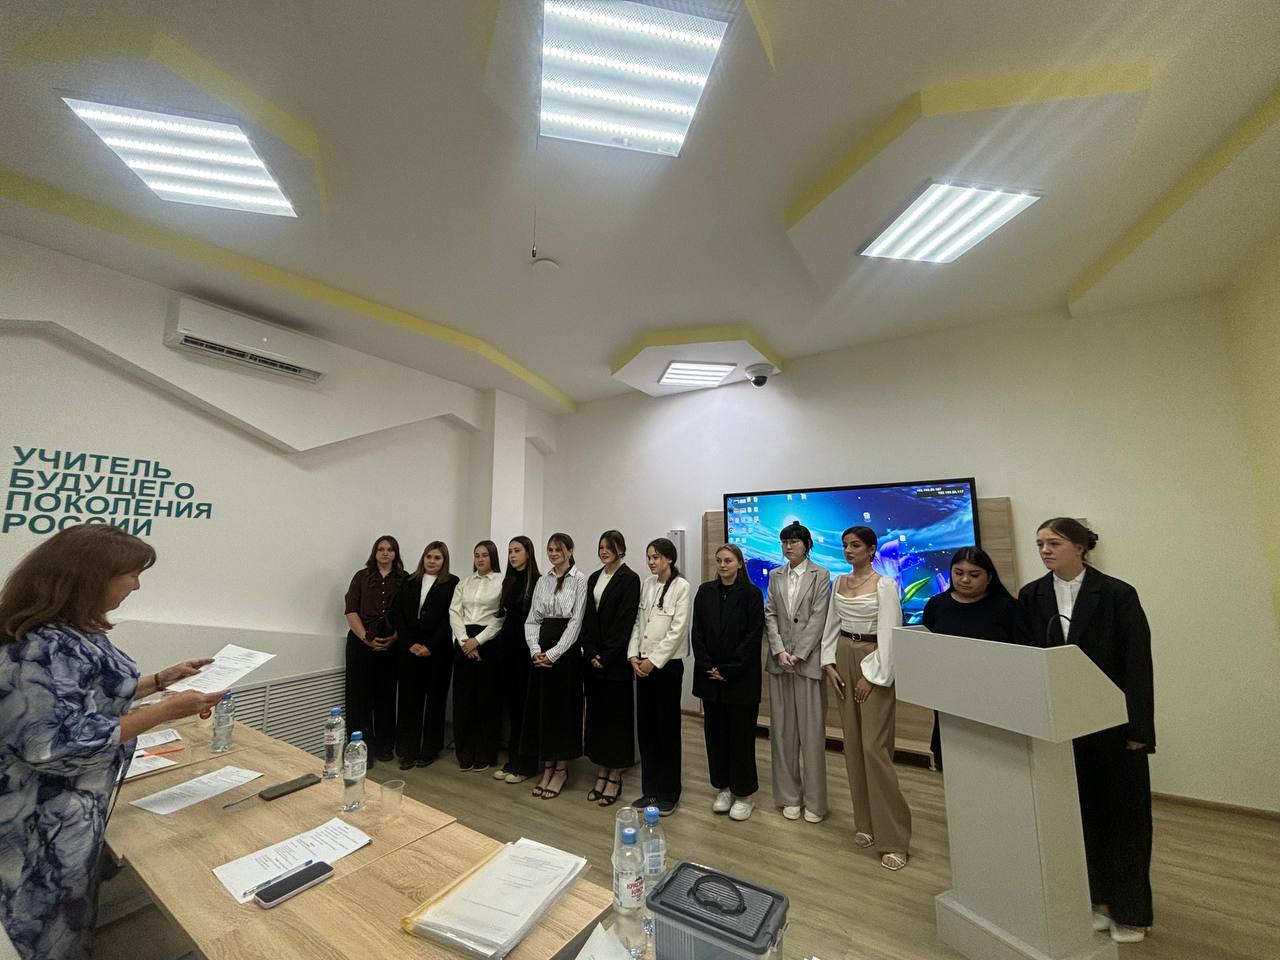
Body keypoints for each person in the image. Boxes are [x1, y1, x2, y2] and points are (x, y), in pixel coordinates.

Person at [0, 525, 224, 960]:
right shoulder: (39, 646)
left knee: (75, 917)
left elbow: (86, 696)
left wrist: (159, 681)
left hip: (73, 811)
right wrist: (162, 712)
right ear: (90, 578)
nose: (136, 586)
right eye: (131, 575)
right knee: (44, 930)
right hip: (38, 819)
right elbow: (54, 745)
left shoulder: (72, 632)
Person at [1016, 518, 1155, 944]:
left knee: (1126, 819)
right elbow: (1028, 659)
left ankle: (1131, 912)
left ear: (1080, 547)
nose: (1045, 550)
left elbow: (1137, 664)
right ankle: (1097, 899)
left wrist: (1139, 729)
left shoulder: (1117, 594)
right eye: (1040, 544)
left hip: (1113, 726)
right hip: (1063, 726)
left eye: (1054, 543)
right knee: (1083, 817)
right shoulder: (1032, 595)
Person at [820, 525, 912, 870]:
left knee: (875, 748)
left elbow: (890, 634)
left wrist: (873, 677)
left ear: (872, 549)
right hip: (843, 654)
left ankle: (895, 839)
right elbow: (832, 625)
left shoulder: (885, 585)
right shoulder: (839, 582)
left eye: (856, 545)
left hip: (873, 658)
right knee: (854, 745)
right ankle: (866, 824)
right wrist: (829, 663)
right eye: (845, 545)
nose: (848, 550)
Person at [920, 546, 1018, 767]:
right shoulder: (937, 605)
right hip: (948, 695)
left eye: (974, 575)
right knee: (953, 760)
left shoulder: (1007, 607)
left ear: (989, 577)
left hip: (995, 697)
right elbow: (926, 649)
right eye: (958, 573)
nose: (965, 580)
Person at [763, 521, 832, 823]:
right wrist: (779, 651)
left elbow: (819, 617)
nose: (788, 546)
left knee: (812, 735)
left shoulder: (821, 574)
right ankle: (789, 796)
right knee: (782, 734)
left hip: (807, 663)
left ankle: (815, 802)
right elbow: (770, 614)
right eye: (784, 542)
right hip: (780, 663)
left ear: (807, 544)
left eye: (793, 541)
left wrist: (799, 653)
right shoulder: (776, 575)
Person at [691, 544, 765, 821]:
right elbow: (697, 633)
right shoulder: (705, 592)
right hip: (710, 678)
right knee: (716, 736)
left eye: (728, 560)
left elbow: (752, 638)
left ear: (739, 564)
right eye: (719, 560)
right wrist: (709, 667)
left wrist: (728, 670)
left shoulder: (752, 594)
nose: (723, 565)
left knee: (741, 738)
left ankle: (744, 794)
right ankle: (723, 787)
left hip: (740, 680)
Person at [628, 537, 691, 815]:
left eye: (656, 557)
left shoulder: (681, 586)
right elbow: (638, 622)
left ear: (669, 558)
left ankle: (669, 793)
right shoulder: (647, 584)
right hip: (642, 664)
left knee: (667, 730)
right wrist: (633, 655)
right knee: (647, 730)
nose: (651, 562)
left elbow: (677, 631)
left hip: (666, 667)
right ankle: (650, 791)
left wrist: (653, 662)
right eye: (649, 557)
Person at [523, 533, 588, 799]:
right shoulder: (543, 580)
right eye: (550, 549)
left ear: (570, 551)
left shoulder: (580, 580)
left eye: (558, 549)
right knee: (544, 711)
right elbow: (532, 619)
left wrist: (554, 654)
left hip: (565, 656)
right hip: (541, 653)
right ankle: (547, 766)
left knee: (563, 712)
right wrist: (535, 650)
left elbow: (576, 622)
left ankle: (561, 769)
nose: (553, 554)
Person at [580, 530, 641, 806]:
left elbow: (625, 622)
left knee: (617, 721)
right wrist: (591, 652)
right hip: (593, 663)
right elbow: (587, 619)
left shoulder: (630, 578)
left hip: (615, 665)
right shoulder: (594, 577)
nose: (604, 551)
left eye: (609, 547)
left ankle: (615, 775)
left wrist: (605, 655)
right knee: (597, 719)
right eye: (601, 547)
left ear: (620, 549)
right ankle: (601, 771)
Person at [390, 542, 458, 770]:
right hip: (409, 649)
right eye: (429, 556)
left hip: (438, 651)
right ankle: (407, 751)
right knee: (409, 701)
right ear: (423, 558)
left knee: (435, 702)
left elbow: (451, 618)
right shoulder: (409, 581)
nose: (432, 561)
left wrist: (430, 646)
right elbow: (397, 612)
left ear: (444, 561)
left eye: (437, 558)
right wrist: (409, 643)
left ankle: (429, 749)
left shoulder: (452, 583)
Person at [343, 535, 407, 764]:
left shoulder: (404, 579)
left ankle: (384, 746)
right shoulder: (361, 577)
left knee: (386, 697)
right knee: (359, 697)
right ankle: (361, 750)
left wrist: (394, 637)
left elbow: (408, 614)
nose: (385, 553)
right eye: (381, 549)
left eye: (390, 549)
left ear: (396, 554)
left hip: (391, 643)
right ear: (375, 552)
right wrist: (365, 639)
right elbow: (351, 610)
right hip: (361, 642)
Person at [449, 541, 504, 772]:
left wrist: (477, 641)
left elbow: (500, 617)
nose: (480, 559)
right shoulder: (464, 582)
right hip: (464, 641)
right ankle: (465, 751)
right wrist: (465, 642)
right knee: (464, 699)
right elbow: (454, 611)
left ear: (493, 557)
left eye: (485, 555)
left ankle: (485, 752)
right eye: (477, 555)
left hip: (488, 642)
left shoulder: (501, 581)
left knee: (487, 700)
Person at [493, 536, 540, 784]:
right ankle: (512, 759)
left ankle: (527, 764)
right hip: (507, 649)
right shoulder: (509, 580)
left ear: (528, 553)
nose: (512, 555)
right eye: (510, 551)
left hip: (526, 650)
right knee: (512, 708)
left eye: (517, 550)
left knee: (525, 709)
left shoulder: (538, 581)